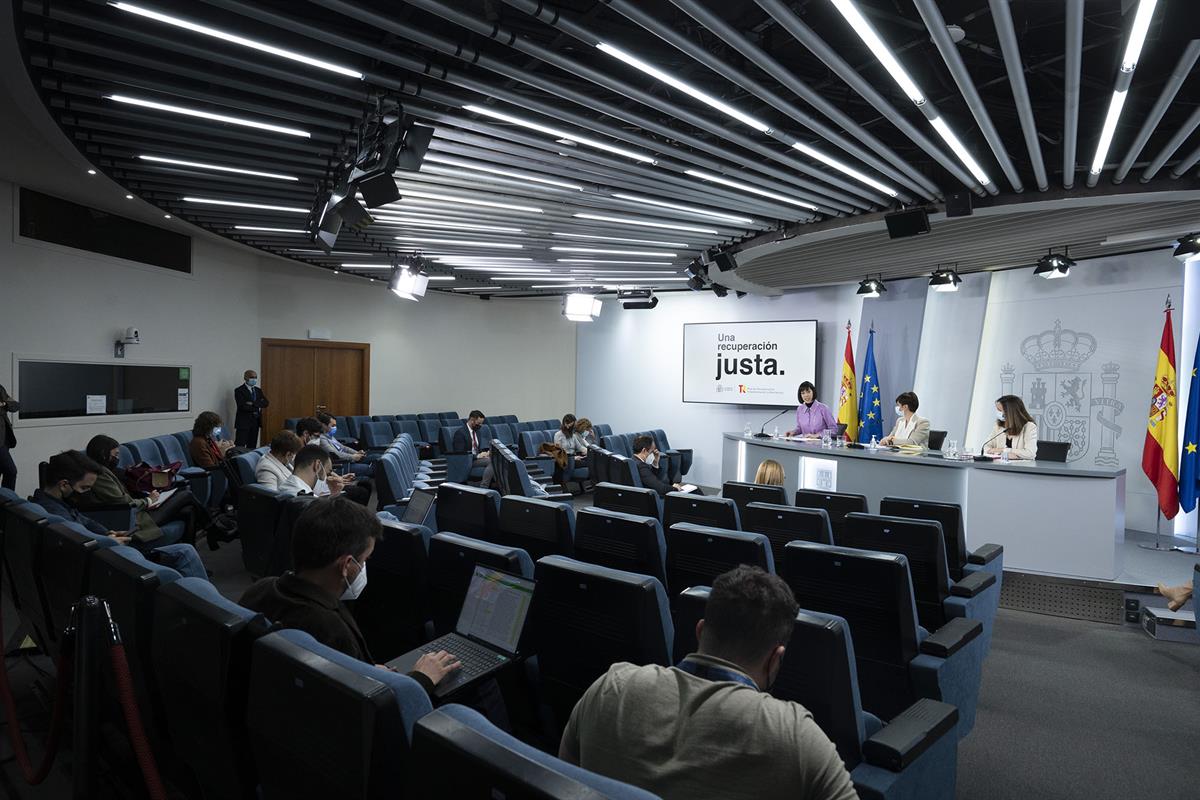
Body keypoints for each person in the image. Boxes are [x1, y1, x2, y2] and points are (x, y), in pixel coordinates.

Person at [559, 565, 857, 800]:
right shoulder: (795, 734)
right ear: (776, 659)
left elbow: (562, 783)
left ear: (700, 631)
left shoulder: (611, 685)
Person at [239, 496, 461, 696]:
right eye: (364, 559)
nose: (364, 566)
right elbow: (375, 707)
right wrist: (421, 678)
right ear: (347, 565)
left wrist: (363, 669)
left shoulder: (260, 589)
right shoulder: (331, 629)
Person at [31, 452, 208, 580]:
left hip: (108, 550)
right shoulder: (56, 514)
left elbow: (86, 522)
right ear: (63, 484)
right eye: (84, 488)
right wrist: (109, 542)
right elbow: (78, 542)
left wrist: (108, 534)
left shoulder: (52, 503)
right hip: (108, 561)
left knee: (185, 544)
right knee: (185, 552)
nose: (86, 493)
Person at [81, 434, 208, 544]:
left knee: (189, 510)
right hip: (133, 519)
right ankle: (213, 529)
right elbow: (124, 502)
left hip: (138, 511)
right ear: (104, 455)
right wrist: (149, 500)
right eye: (115, 455)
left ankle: (200, 542)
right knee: (186, 495)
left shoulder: (107, 471)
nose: (117, 459)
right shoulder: (100, 475)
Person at [296, 418, 370, 505]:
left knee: (365, 484)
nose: (318, 440)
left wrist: (339, 478)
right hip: (321, 492)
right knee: (361, 491)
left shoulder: (311, 450)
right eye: (316, 436)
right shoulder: (301, 455)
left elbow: (324, 470)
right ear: (305, 434)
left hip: (327, 485)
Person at [632, 434, 696, 496]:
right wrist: (674, 488)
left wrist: (655, 463)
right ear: (644, 450)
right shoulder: (641, 466)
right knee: (695, 491)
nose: (653, 454)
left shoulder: (634, 460)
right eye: (652, 451)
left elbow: (652, 479)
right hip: (655, 496)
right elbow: (661, 488)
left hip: (653, 492)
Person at [314, 412, 374, 476]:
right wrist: (353, 457)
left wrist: (356, 453)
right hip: (342, 465)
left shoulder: (329, 436)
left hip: (348, 460)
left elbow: (343, 448)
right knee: (370, 469)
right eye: (333, 426)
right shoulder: (322, 439)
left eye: (335, 425)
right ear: (323, 425)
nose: (335, 428)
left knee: (375, 458)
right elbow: (335, 454)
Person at [451, 410, 495, 489]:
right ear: (472, 420)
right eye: (479, 423)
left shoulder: (477, 432)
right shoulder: (460, 433)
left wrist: (485, 453)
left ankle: (496, 485)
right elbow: (460, 454)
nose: (480, 425)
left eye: (481, 423)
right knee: (492, 461)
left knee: (496, 459)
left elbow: (476, 448)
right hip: (466, 461)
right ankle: (483, 487)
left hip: (475, 459)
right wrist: (477, 456)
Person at [987, 394, 1038, 460]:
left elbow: (1030, 453)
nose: (998, 412)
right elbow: (986, 447)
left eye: (1000, 410)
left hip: (1021, 468)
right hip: (999, 466)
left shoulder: (1029, 427)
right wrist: (1005, 453)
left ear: (1010, 412)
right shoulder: (998, 426)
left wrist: (1004, 450)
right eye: (997, 410)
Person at [233, 370, 269, 448]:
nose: (254, 379)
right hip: (243, 422)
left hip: (255, 421)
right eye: (252, 377)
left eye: (255, 377)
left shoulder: (258, 390)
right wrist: (258, 404)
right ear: (245, 377)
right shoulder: (239, 390)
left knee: (252, 445)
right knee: (240, 445)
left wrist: (252, 403)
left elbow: (266, 403)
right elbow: (242, 406)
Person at [554, 414, 588, 483]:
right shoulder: (558, 435)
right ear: (566, 424)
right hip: (566, 459)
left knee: (589, 462)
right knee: (577, 463)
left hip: (573, 458)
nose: (573, 428)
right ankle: (564, 485)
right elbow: (558, 452)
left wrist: (590, 451)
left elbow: (580, 447)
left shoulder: (572, 435)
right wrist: (574, 458)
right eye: (572, 426)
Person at [0, 382, 18, 491]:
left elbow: (15, 405)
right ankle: (8, 502)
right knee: (11, 471)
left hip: (5, 439)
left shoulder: (0, 389)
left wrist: (4, 404)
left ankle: (5, 502)